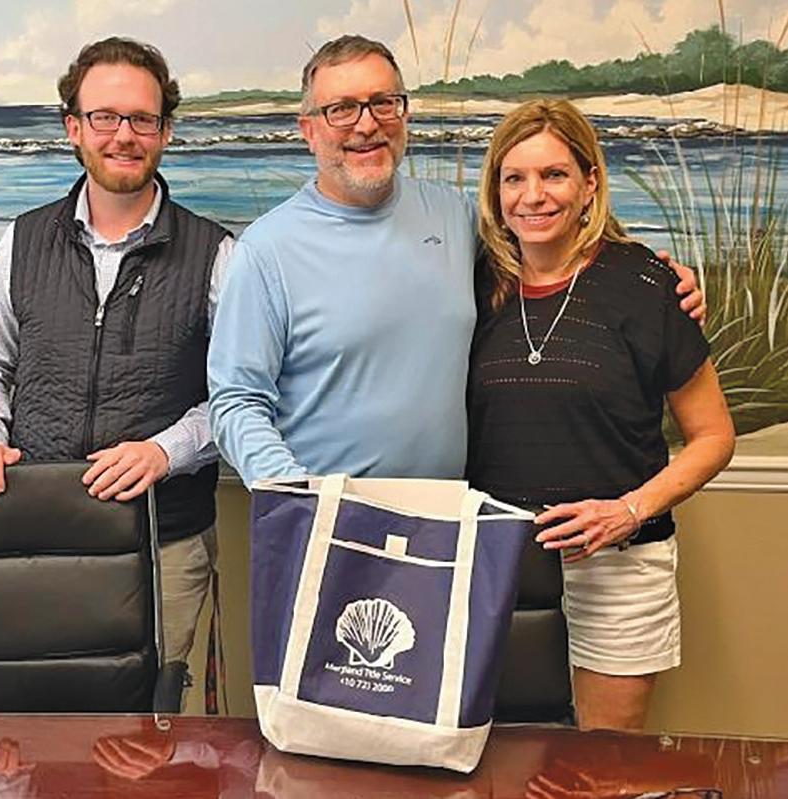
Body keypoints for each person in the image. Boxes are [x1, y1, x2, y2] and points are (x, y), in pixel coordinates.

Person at [208, 34, 702, 488]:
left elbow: (551, 246)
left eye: (383, 103)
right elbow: (236, 402)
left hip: (450, 523)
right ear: (309, 131)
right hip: (325, 522)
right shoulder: (267, 251)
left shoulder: (456, 216)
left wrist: (655, 281)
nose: (367, 124)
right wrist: (297, 495)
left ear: (403, 114)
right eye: (341, 109)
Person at [0, 37, 233, 670]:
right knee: (36, 708)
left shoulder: (217, 254)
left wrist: (166, 451)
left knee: (151, 717)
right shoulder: (23, 240)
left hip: (164, 544)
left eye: (142, 119)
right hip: (32, 532)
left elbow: (243, 397)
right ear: (73, 127)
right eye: (104, 117)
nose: (123, 135)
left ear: (165, 132)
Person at [466, 98, 735, 732]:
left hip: (619, 564)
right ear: (496, 192)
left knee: (603, 766)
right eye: (514, 178)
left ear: (590, 184)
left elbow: (713, 436)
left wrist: (628, 511)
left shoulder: (645, 284)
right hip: (496, 562)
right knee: (494, 760)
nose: (533, 196)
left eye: (554, 175)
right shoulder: (473, 286)